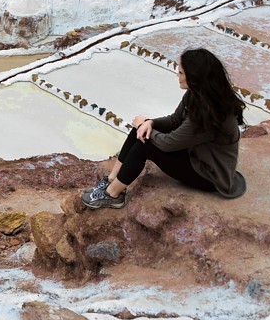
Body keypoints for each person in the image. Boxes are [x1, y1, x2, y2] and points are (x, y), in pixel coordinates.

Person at [82, 47, 247, 209]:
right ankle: (112, 179)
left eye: (181, 73)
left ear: (195, 78)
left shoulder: (208, 115)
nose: (178, 76)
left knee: (145, 144)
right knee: (141, 130)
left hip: (209, 175)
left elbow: (168, 143)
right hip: (195, 157)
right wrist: (149, 123)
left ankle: (113, 194)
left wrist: (144, 127)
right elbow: (175, 120)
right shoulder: (196, 95)